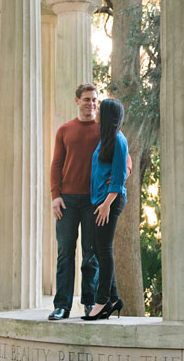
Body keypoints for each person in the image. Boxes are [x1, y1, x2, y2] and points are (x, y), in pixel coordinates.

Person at [48, 83, 100, 320]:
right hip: (67, 201)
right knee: (65, 254)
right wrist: (55, 196)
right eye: (87, 99)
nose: (91, 104)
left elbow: (125, 161)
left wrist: (113, 189)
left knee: (91, 254)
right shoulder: (65, 130)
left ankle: (90, 304)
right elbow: (56, 164)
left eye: (94, 100)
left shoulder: (104, 130)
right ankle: (62, 306)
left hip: (94, 202)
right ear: (77, 101)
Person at [82, 98, 128, 321]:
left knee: (104, 249)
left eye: (100, 109)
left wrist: (106, 205)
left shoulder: (119, 140)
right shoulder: (106, 139)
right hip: (100, 200)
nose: (96, 111)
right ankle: (114, 298)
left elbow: (119, 177)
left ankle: (101, 302)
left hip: (109, 201)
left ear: (108, 115)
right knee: (100, 249)